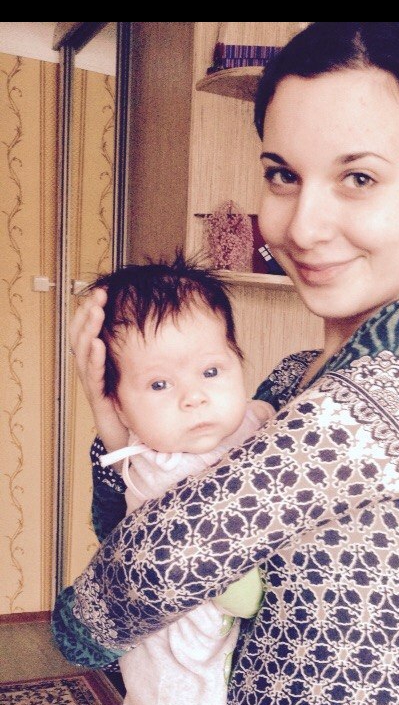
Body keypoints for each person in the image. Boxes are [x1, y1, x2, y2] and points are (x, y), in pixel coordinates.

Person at [52, 22, 399, 705]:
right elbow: (132, 528)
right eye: (283, 175)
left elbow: (163, 562)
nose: (301, 225)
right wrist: (112, 420)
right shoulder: (289, 380)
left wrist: (72, 630)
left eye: (358, 177)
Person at [68, 253, 273, 705]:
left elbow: (256, 414)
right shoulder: (163, 475)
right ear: (121, 407)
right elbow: (243, 597)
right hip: (174, 678)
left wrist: (266, 415)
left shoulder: (240, 421)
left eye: (211, 371)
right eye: (160, 384)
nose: (194, 397)